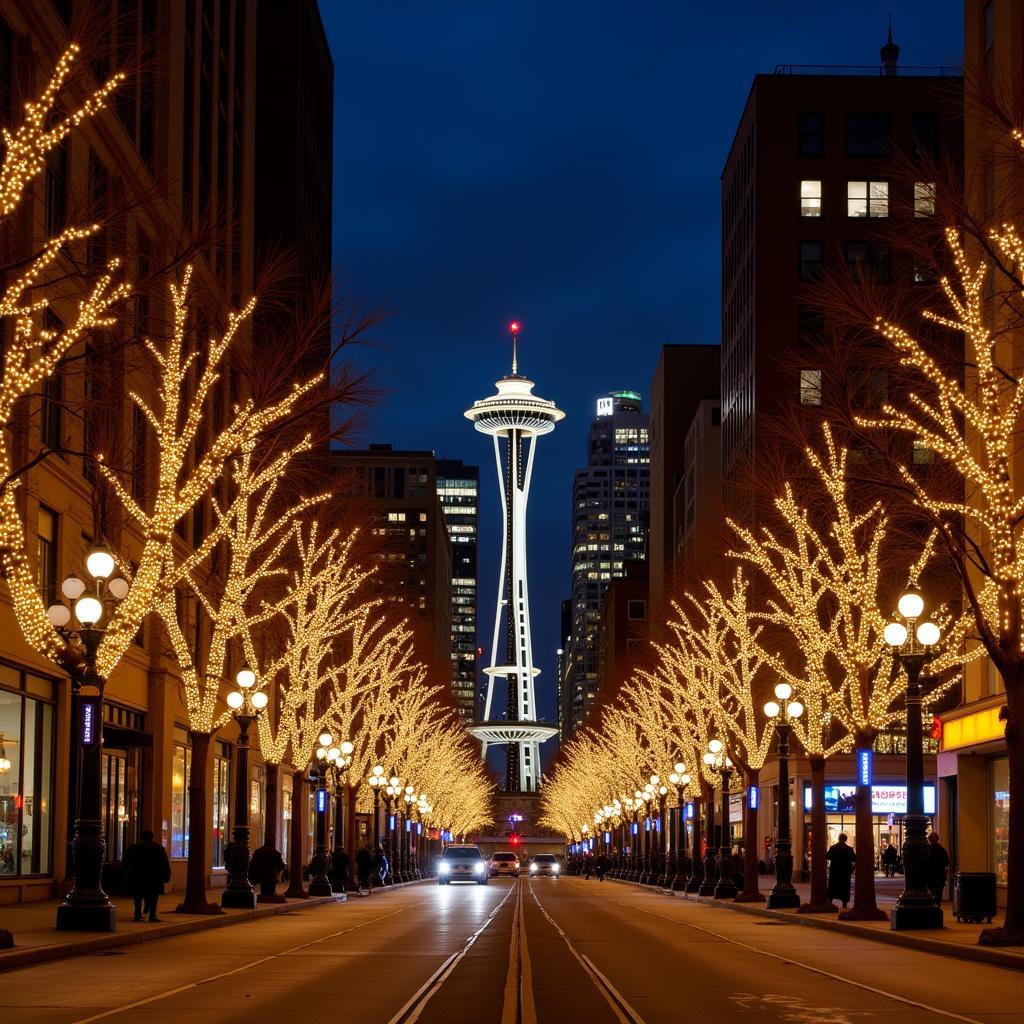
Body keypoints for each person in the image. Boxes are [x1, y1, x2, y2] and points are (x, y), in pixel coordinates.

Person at [123, 829, 171, 922]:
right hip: (154, 878)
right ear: (152, 837)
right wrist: (166, 876)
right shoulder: (159, 848)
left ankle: (137, 914)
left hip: (138, 877)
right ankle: (152, 915)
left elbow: (126, 863)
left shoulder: (134, 848)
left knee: (138, 897)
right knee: (153, 897)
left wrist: (127, 875)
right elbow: (164, 863)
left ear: (141, 837)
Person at [825, 833, 856, 909]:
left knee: (833, 886)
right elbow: (854, 859)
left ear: (838, 839)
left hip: (834, 871)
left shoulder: (833, 847)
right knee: (844, 887)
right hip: (845, 872)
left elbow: (827, 856)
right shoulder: (849, 849)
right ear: (845, 839)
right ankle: (844, 903)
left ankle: (830, 900)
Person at [927, 832, 951, 906]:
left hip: (930, 874)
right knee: (939, 892)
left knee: (931, 891)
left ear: (930, 840)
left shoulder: (928, 850)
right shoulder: (942, 850)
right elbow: (947, 862)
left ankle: (932, 904)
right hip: (940, 875)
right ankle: (937, 906)